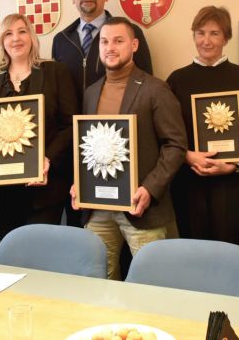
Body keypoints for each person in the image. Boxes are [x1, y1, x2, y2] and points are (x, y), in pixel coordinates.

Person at [72, 17, 186, 280]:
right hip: (98, 208)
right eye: (104, 42)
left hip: (141, 208)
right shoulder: (90, 93)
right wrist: (80, 181)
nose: (110, 47)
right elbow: (87, 146)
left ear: (134, 45)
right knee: (98, 282)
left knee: (152, 283)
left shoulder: (156, 89)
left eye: (118, 41)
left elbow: (175, 145)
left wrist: (150, 189)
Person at [53, 0, 153, 229]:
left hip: (122, 148)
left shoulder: (129, 32)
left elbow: (144, 86)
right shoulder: (60, 40)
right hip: (74, 146)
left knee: (128, 220)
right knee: (83, 225)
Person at [0, 14, 78, 245]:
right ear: (1, 41)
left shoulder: (55, 72)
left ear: (32, 37)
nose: (16, 39)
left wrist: (47, 159)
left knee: (41, 252)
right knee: (11, 252)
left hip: (45, 188)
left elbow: (70, 125)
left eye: (22, 31)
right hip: (3, 190)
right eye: (8, 33)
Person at [166, 6, 239, 244]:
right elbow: (165, 131)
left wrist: (234, 165)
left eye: (214, 33)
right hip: (188, 179)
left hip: (229, 183)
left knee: (228, 248)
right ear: (193, 35)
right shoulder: (176, 80)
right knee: (193, 250)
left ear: (226, 37)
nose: (206, 40)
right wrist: (187, 156)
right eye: (200, 33)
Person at [52, 0, 153, 103]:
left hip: (116, 115)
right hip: (71, 116)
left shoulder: (130, 32)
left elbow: (145, 82)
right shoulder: (60, 40)